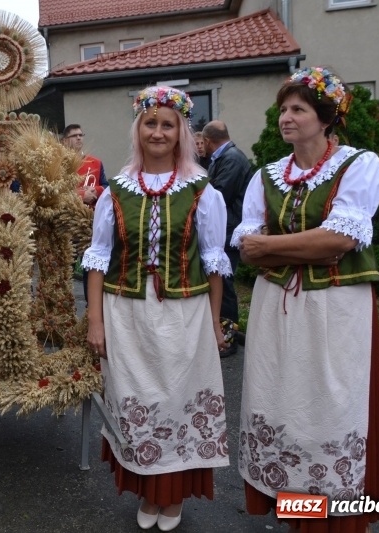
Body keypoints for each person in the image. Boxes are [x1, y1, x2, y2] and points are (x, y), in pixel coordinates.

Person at [232, 66, 379, 532]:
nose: (286, 117)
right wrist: (273, 246)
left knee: (327, 404)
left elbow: (338, 240)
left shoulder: (359, 164)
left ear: (325, 118)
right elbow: (246, 239)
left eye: (298, 109)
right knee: (280, 400)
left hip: (334, 307)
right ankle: (294, 507)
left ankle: (329, 512)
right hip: (276, 306)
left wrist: (271, 246)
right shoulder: (268, 174)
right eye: (283, 109)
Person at [83, 86, 231, 531]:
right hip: (125, 314)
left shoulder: (203, 191)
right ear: (138, 130)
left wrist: (215, 324)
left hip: (183, 315)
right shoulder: (115, 192)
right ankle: (149, 492)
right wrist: (95, 321)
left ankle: (173, 497)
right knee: (135, 401)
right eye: (151, 123)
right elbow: (97, 258)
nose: (159, 132)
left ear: (182, 132)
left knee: (178, 402)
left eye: (169, 125)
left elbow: (214, 264)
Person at [201, 120, 252, 357]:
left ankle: (229, 338)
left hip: (229, 230)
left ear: (209, 141)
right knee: (221, 282)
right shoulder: (225, 157)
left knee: (226, 286)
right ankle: (221, 334)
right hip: (226, 229)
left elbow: (219, 195)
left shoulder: (231, 159)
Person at [62, 123, 109, 304]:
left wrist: (95, 192)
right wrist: (81, 195)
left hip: (90, 222)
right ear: (65, 140)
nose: (79, 138)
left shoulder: (95, 162)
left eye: (81, 134)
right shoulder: (59, 164)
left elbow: (106, 186)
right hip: (67, 223)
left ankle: (93, 307)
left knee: (91, 267)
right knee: (66, 268)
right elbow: (54, 192)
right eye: (74, 135)